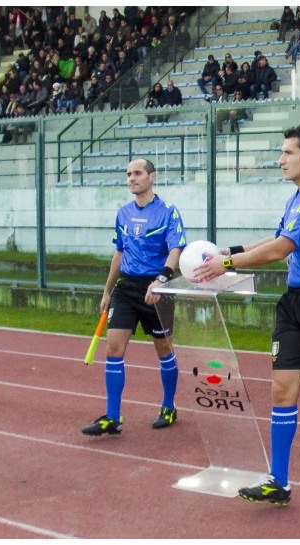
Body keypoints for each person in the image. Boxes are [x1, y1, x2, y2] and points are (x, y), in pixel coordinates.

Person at [195, 127, 300, 505]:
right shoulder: (297, 198)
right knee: (281, 391)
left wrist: (226, 263)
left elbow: (280, 250)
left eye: (288, 153)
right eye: (281, 152)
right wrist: (230, 249)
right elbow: (272, 239)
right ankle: (279, 480)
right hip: (295, 303)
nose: (280, 159)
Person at [81, 158, 187, 436]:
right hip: (126, 290)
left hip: (157, 289)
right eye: (128, 174)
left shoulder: (168, 212)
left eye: (137, 173)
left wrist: (162, 279)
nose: (131, 178)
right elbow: (119, 253)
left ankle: (168, 406)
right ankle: (113, 417)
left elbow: (175, 249)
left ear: (152, 177)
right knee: (113, 350)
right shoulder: (123, 213)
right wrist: (107, 290)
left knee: (164, 351)